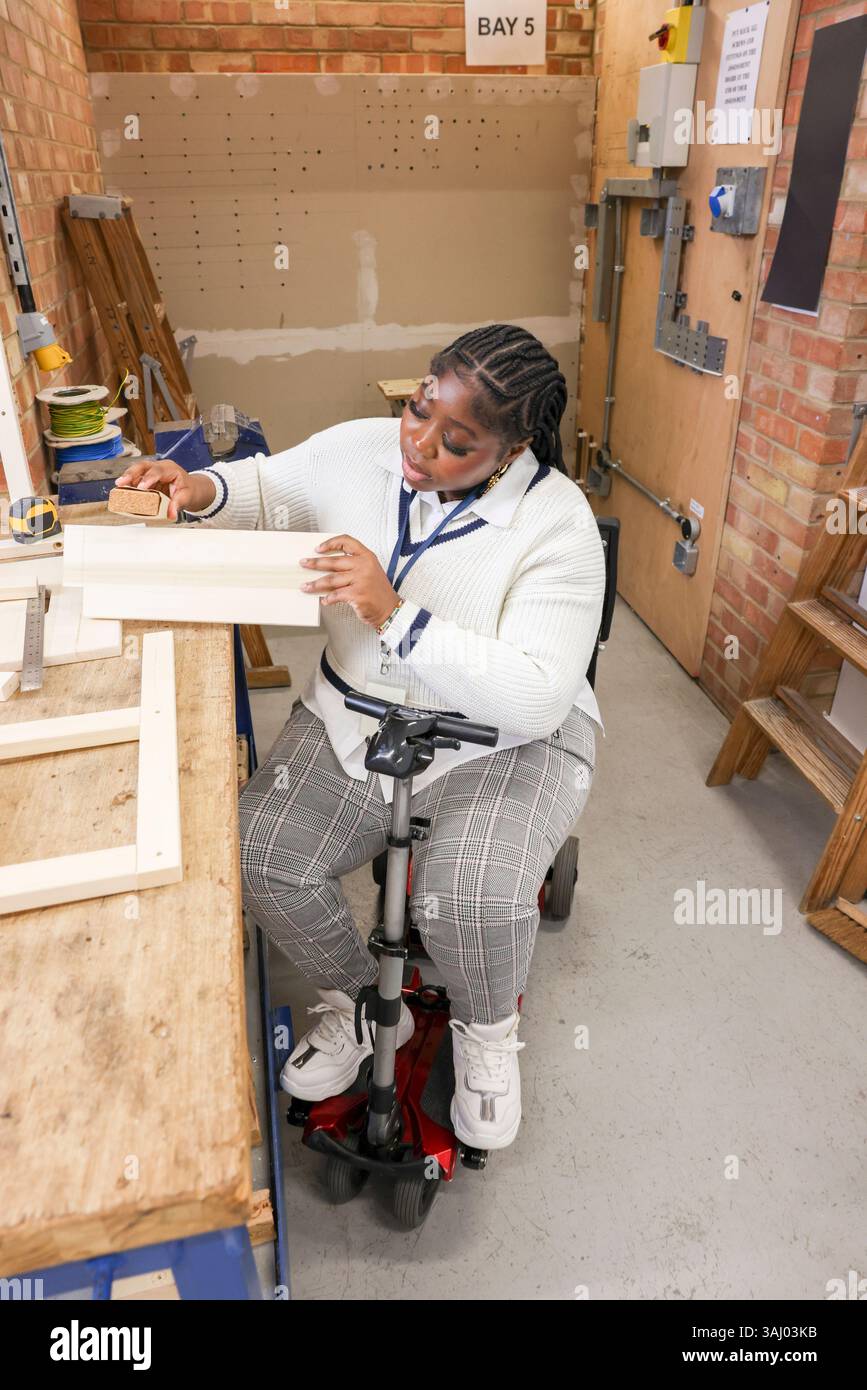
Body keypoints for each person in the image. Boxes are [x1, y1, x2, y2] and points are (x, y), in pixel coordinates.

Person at [116, 323, 606, 1151]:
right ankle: (364, 1007)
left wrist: (395, 615)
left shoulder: (557, 524)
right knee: (259, 854)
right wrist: (197, 489)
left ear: (514, 446)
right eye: (419, 410)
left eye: (457, 442)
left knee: (469, 899)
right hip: (358, 713)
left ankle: (486, 1036)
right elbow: (268, 488)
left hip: (503, 740)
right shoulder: (362, 448)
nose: (419, 445)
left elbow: (532, 695)